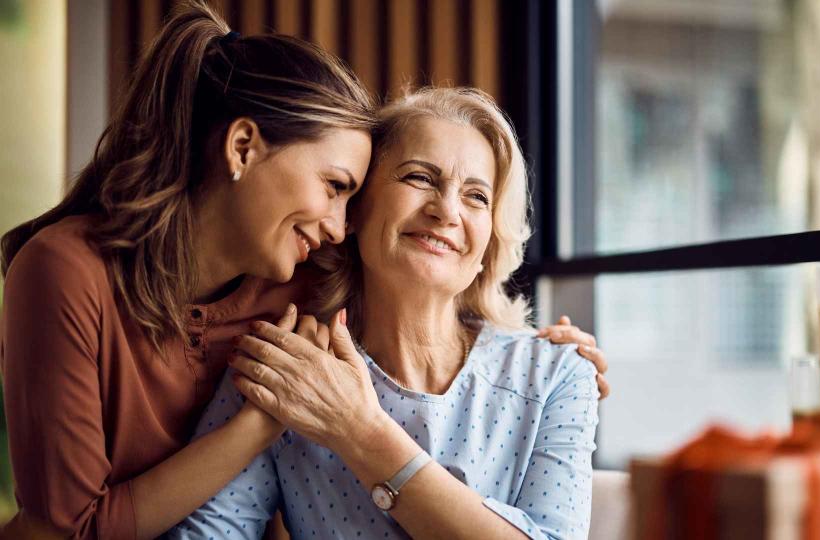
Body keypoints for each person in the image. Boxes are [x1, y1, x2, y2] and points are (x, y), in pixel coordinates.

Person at [0, 3, 605, 538]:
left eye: (478, 196)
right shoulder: (291, 336)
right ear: (242, 149)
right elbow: (83, 529)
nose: (337, 226)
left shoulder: (301, 286)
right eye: (417, 177)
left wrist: (557, 358)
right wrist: (265, 422)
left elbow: (428, 290)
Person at [170, 87, 601, 540]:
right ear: (354, 211)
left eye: (476, 196)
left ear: (487, 245)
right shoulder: (289, 366)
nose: (446, 210)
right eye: (419, 178)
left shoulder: (558, 373)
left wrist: (361, 431)